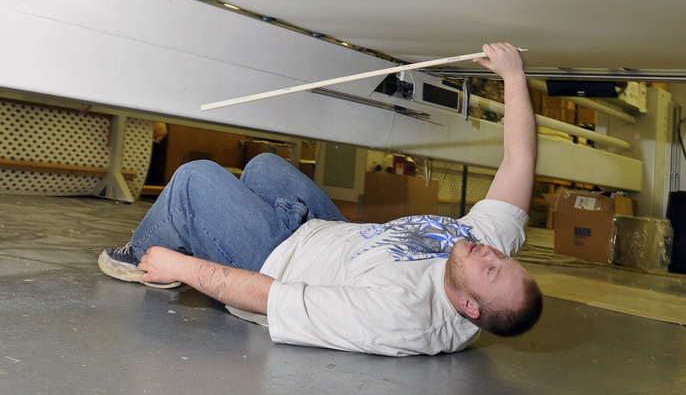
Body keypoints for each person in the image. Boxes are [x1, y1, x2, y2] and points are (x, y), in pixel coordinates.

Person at [98, 42, 542, 356]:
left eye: (491, 268)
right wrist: (513, 75)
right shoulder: (482, 250)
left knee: (195, 180)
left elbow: (273, 299)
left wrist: (184, 269)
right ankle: (206, 232)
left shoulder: (400, 316)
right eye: (504, 260)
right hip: (328, 234)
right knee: (264, 166)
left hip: (275, 261)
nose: (492, 252)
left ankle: (142, 257)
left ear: (467, 307)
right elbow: (519, 161)